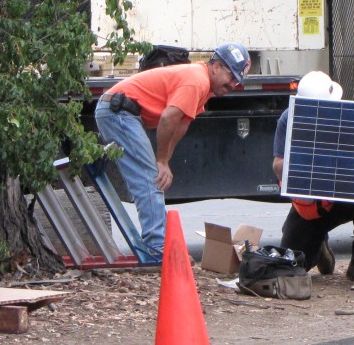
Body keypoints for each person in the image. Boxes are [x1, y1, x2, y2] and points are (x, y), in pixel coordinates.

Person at [95, 42, 251, 260]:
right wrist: (161, 162)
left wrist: (165, 161)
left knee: (153, 176)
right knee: (151, 179)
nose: (233, 84)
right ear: (215, 66)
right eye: (231, 76)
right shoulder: (197, 80)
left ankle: (158, 245)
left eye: (237, 80)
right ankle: (157, 248)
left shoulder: (204, 87)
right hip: (118, 111)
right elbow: (168, 118)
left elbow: (180, 124)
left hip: (122, 111)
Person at [273, 71, 354, 287]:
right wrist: (308, 167)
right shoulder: (289, 119)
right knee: (294, 266)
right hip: (311, 202)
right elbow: (278, 165)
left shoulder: (350, 116)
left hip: (346, 195)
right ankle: (318, 247)